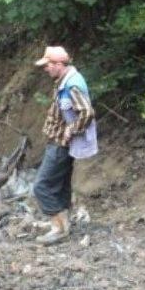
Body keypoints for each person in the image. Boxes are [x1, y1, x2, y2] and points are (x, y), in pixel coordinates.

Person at [33, 46, 98, 245]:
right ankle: (62, 222)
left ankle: (59, 229)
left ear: (59, 65)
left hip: (61, 143)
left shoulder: (72, 85)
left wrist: (72, 129)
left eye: (48, 65)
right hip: (60, 142)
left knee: (41, 186)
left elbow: (86, 112)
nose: (46, 69)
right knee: (60, 185)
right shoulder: (66, 80)